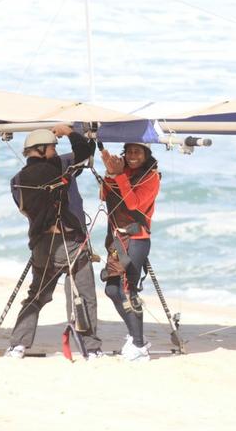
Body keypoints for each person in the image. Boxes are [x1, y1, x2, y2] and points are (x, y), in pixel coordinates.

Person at [5, 124, 102, 359]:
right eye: (52, 148)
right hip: (69, 242)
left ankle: (18, 345)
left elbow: (26, 210)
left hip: (40, 245)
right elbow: (85, 152)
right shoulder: (58, 167)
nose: (55, 152)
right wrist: (69, 132)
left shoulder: (16, 180)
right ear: (40, 150)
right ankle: (90, 348)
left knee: (36, 296)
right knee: (83, 294)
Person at [100, 142, 161, 361]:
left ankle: (139, 345)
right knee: (112, 290)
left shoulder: (151, 177)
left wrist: (119, 176)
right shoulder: (122, 171)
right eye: (130, 152)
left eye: (138, 152)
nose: (133, 156)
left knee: (128, 291)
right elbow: (104, 196)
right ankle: (134, 334)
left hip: (137, 239)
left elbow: (133, 203)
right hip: (118, 239)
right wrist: (110, 172)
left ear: (146, 155)